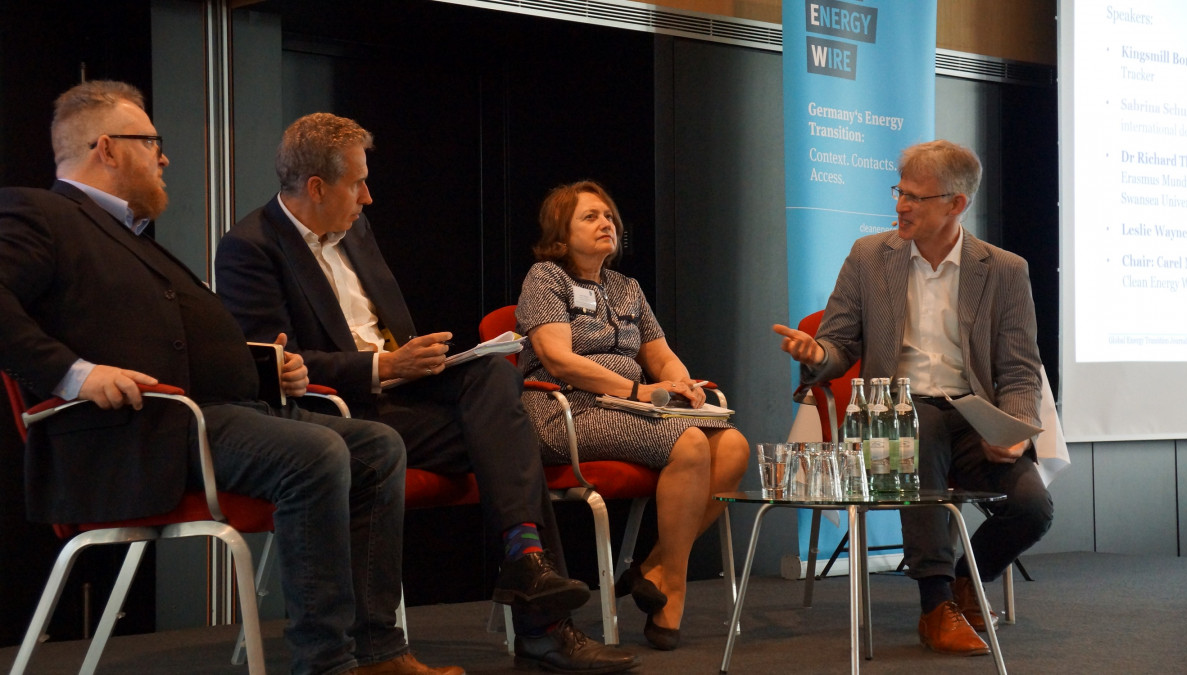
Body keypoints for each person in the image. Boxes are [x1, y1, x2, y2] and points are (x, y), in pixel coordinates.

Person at [0, 81, 462, 675]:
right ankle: (327, 662)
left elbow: (177, 344)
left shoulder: (129, 237)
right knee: (317, 452)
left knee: (377, 446)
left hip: (215, 416)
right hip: (137, 431)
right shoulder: (40, 213)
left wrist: (266, 369)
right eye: (151, 143)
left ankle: (378, 652)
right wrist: (75, 376)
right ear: (107, 148)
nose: (164, 157)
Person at [215, 114, 637, 673]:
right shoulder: (250, 248)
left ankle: (526, 560)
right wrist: (384, 364)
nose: (368, 196)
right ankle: (543, 626)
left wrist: (414, 359)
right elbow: (276, 365)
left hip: (400, 393)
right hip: (334, 413)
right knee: (510, 441)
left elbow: (387, 327)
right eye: (358, 183)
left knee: (494, 378)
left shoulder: (356, 230)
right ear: (316, 187)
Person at [773, 140, 1053, 656]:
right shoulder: (869, 257)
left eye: (915, 197)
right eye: (899, 192)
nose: (900, 205)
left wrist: (1012, 431)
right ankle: (935, 606)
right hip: (893, 414)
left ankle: (966, 583)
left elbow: (1020, 369)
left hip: (972, 416)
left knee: (1032, 508)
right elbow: (837, 345)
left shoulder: (1004, 269)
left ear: (956, 204)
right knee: (916, 428)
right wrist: (817, 355)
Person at [514, 180, 750, 651]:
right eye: (590, 217)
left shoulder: (627, 288)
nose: (606, 223)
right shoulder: (546, 278)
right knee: (689, 443)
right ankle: (673, 589)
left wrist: (681, 383)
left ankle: (654, 567)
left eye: (609, 216)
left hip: (627, 407)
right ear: (561, 231)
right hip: (565, 410)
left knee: (734, 446)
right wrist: (640, 391)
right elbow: (559, 360)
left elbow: (660, 356)